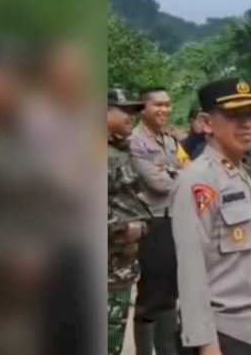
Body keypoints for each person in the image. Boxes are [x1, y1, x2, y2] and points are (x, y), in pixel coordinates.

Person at [171, 78, 251, 355]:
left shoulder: (239, 175)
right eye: (234, 115)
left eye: (250, 114)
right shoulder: (198, 180)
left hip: (246, 328)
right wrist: (206, 344)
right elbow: (190, 268)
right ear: (207, 123)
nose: (246, 124)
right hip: (219, 335)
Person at [129, 87, 185, 355]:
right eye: (158, 105)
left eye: (167, 104)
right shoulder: (136, 142)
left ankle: (167, 350)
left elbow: (190, 171)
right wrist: (176, 175)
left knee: (170, 290)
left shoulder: (171, 140)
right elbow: (158, 183)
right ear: (143, 109)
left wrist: (173, 172)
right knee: (151, 291)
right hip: (153, 222)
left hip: (176, 219)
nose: (164, 109)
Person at [107, 89, 152, 355]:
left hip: (119, 268)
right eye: (125, 111)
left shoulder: (117, 150)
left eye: (135, 112)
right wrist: (125, 227)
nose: (132, 117)